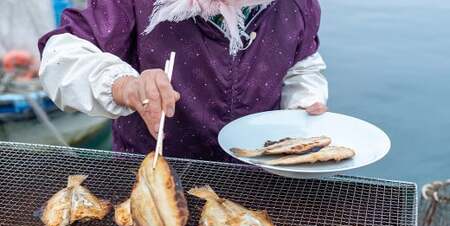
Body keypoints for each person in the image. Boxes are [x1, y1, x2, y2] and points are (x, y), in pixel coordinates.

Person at [38, 0, 329, 161]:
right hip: (151, 170)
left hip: (257, 174)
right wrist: (123, 85)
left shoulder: (297, 6)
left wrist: (303, 105)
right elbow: (61, 54)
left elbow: (301, 65)